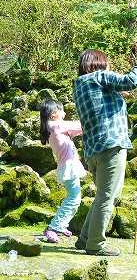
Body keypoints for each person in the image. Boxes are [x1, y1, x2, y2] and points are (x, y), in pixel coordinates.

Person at [73, 49, 137, 256]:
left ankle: (85, 239)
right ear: (99, 63)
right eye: (107, 63)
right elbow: (131, 81)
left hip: (93, 150)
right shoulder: (100, 76)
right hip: (111, 146)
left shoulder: (80, 85)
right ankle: (96, 244)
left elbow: (102, 105)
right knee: (108, 197)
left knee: (103, 196)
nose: (110, 66)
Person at [40, 100, 86, 243]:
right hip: (69, 167)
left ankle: (61, 225)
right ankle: (53, 228)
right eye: (62, 111)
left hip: (67, 166)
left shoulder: (51, 127)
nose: (65, 113)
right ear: (54, 115)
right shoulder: (56, 125)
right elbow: (81, 126)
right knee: (74, 199)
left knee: (74, 197)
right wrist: (92, 117)